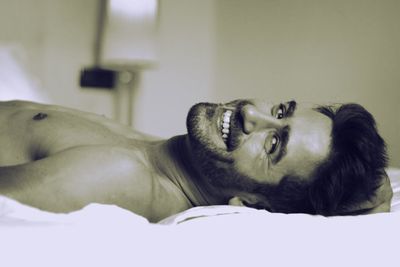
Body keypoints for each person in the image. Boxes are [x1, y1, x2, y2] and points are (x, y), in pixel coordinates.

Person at [0, 99, 392, 222]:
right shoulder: (169, 156)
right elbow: (378, 189)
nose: (252, 113)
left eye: (273, 144)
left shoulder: (116, 174)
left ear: (252, 203)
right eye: (281, 109)